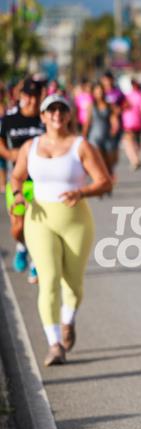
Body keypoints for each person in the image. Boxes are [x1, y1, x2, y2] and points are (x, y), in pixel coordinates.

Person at [8, 94, 111, 366]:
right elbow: (16, 176)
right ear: (42, 116)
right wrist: (17, 195)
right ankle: (54, 344)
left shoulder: (81, 146)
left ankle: (68, 320)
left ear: (69, 115)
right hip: (39, 219)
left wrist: (81, 192)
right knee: (49, 278)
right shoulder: (30, 146)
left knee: (73, 283)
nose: (56, 114)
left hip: (76, 222)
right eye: (50, 110)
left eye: (61, 109)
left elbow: (105, 182)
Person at [1, 77, 46, 281]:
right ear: (21, 96)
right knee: (18, 227)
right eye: (28, 96)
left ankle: (36, 262)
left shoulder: (45, 118)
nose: (32, 100)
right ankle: (22, 246)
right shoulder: (10, 119)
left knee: (40, 225)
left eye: (36, 96)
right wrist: (9, 154)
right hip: (18, 180)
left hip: (41, 182)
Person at [84, 83, 116, 174]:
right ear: (93, 93)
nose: (99, 93)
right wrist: (84, 136)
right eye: (97, 91)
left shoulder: (109, 105)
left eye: (101, 91)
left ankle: (109, 177)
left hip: (107, 136)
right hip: (94, 137)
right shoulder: (91, 106)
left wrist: (114, 129)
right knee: (98, 160)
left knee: (109, 162)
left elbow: (114, 120)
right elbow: (87, 122)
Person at [122, 79, 141, 170]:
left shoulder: (127, 96)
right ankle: (137, 158)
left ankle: (135, 160)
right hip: (138, 122)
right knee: (136, 141)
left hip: (129, 121)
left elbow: (123, 107)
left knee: (128, 142)